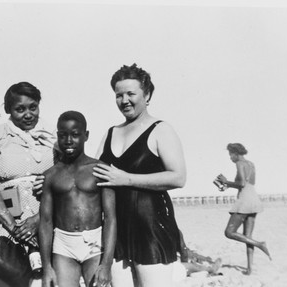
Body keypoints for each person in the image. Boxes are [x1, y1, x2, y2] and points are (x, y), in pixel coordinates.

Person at [93, 63, 187, 287]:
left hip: (151, 226)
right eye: (118, 95)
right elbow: (94, 174)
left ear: (147, 94)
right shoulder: (109, 133)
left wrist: (128, 179)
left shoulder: (161, 129)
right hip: (115, 229)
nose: (124, 100)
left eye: (130, 94)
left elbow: (178, 177)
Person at [0, 81, 57, 287]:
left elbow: (67, 179)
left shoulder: (53, 137)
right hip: (5, 221)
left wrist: (40, 219)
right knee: (7, 277)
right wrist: (14, 227)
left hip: (45, 218)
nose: (28, 114)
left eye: (33, 107)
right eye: (19, 109)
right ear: (8, 110)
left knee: (44, 279)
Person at [39, 111, 116, 287]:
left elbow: (111, 218)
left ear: (86, 135)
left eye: (75, 135)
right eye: (63, 135)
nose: (68, 141)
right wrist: (46, 268)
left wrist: (106, 264)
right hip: (63, 246)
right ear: (57, 136)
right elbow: (46, 221)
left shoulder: (100, 170)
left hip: (94, 244)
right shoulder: (51, 175)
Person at [216, 143, 271, 275]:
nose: (230, 158)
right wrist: (229, 185)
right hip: (254, 198)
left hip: (244, 200)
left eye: (230, 155)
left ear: (235, 153)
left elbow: (241, 184)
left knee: (229, 232)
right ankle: (250, 269)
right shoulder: (251, 164)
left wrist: (225, 181)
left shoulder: (239, 163)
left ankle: (260, 244)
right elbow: (248, 184)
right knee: (247, 236)